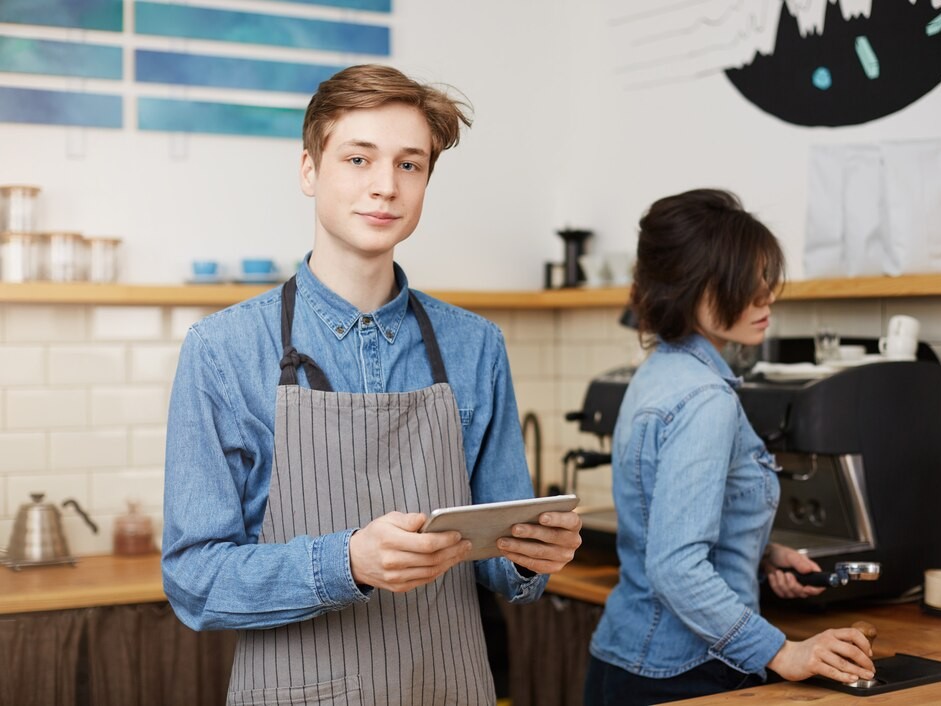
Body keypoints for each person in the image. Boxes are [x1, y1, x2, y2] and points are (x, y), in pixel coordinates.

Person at [162, 64, 582, 706]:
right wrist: (347, 563)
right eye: (359, 159)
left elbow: (499, 558)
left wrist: (533, 554)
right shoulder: (223, 352)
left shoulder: (476, 346)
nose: (385, 186)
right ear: (309, 170)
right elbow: (194, 581)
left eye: (409, 165)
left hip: (450, 688)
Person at [583, 189, 876, 705]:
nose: (764, 297)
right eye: (744, 281)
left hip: (629, 658)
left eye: (764, 278)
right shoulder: (704, 399)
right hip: (689, 673)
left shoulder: (658, 374)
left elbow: (668, 526)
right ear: (689, 288)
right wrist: (783, 652)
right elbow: (675, 567)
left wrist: (759, 555)